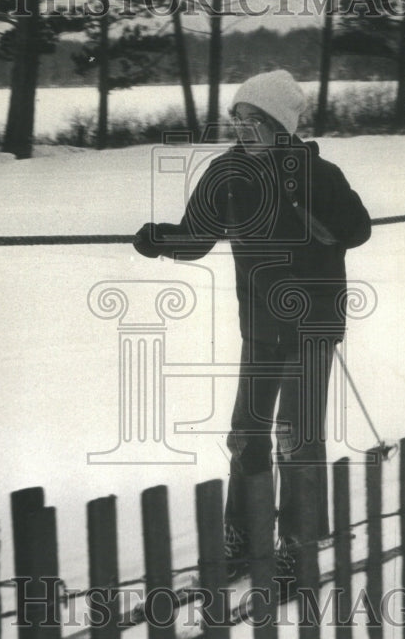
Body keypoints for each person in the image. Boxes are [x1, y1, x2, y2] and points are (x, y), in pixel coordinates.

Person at [133, 69, 372, 583]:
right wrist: (158, 239)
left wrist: (307, 205)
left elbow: (358, 228)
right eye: (238, 118)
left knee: (296, 437)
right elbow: (195, 237)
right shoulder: (227, 174)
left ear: (281, 125)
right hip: (261, 325)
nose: (243, 128)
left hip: (312, 324)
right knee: (246, 434)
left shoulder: (317, 172)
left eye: (255, 119)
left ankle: (297, 546)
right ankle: (243, 537)